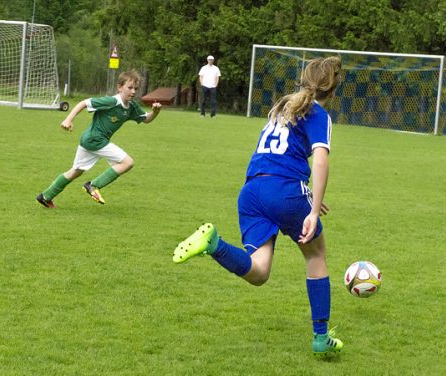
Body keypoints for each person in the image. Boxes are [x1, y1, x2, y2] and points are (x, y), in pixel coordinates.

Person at [173, 56, 344, 356]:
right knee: (316, 256)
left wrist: (309, 194)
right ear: (332, 90)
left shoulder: (282, 108)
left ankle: (214, 244)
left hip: (252, 190)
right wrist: (312, 210)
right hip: (285, 191)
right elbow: (320, 159)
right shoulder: (317, 114)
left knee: (259, 271)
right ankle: (320, 337)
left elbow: (280, 156)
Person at [36, 70, 162, 208]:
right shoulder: (112, 101)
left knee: (75, 172)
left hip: (89, 140)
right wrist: (68, 119)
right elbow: (84, 103)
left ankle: (45, 196)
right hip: (96, 140)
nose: (133, 92)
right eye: (129, 87)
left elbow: (146, 119)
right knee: (128, 162)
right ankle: (93, 185)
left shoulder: (131, 107)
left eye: (136, 89)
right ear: (120, 87)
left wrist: (155, 112)